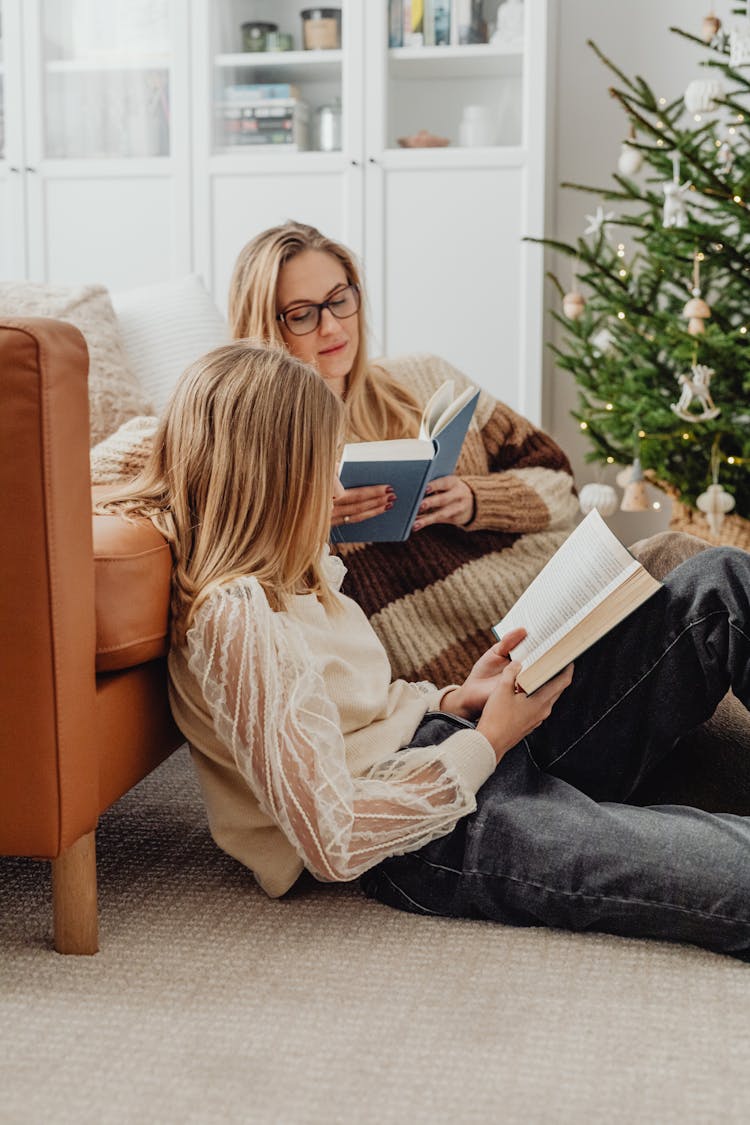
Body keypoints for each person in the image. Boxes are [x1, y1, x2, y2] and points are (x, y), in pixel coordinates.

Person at [100, 339, 750, 962]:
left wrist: (458, 696)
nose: (337, 487)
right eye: (326, 464)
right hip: (427, 834)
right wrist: (487, 743)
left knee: (716, 582)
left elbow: (363, 708)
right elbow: (333, 837)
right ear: (274, 475)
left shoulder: (300, 571)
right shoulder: (234, 618)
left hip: (459, 737)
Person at [225, 220, 579, 685]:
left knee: (678, 559)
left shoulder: (427, 377)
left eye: (339, 299)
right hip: (462, 675)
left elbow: (560, 483)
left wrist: (476, 499)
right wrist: (307, 520)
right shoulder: (251, 444)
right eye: (303, 314)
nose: (332, 325)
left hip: (552, 605)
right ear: (264, 328)